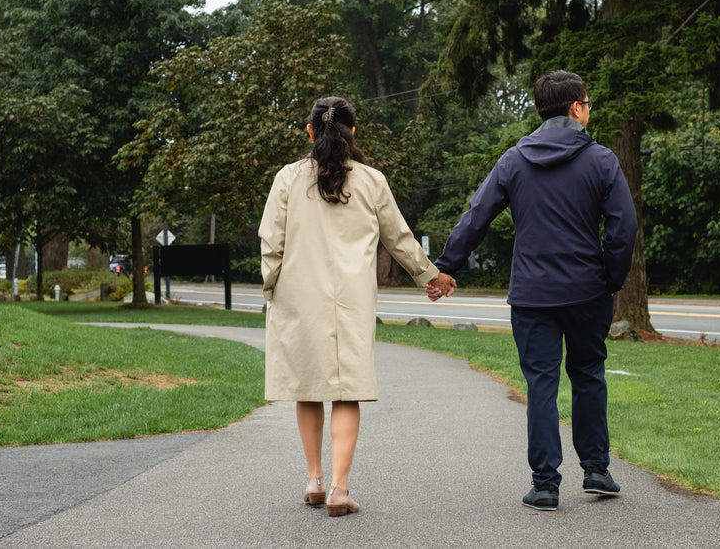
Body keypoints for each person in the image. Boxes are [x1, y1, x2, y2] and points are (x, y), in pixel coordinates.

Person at [428, 70, 637, 511]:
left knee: (541, 384)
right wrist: (612, 279)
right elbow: (624, 227)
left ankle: (545, 485)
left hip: (531, 295)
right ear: (576, 107)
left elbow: (476, 215)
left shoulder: (514, 160)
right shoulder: (601, 160)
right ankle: (596, 470)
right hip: (587, 291)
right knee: (588, 375)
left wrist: (445, 267)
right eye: (588, 104)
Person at [259, 97, 454, 517]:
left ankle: (313, 479)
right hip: (351, 300)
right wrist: (430, 277)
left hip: (297, 297)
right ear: (354, 133)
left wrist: (272, 287)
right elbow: (399, 239)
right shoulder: (371, 181)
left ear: (310, 132)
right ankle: (339, 489)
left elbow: (270, 244)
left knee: (307, 387)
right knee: (347, 391)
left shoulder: (287, 179)